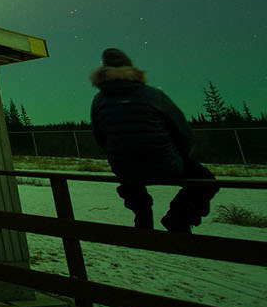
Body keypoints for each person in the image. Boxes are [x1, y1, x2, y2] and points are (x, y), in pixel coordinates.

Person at [89, 48, 218, 233]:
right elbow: (183, 131)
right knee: (206, 181)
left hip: (125, 168)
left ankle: (142, 212)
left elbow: (100, 137)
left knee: (128, 175)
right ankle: (179, 216)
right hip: (165, 164)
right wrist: (180, 156)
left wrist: (118, 154)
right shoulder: (152, 95)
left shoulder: (99, 101)